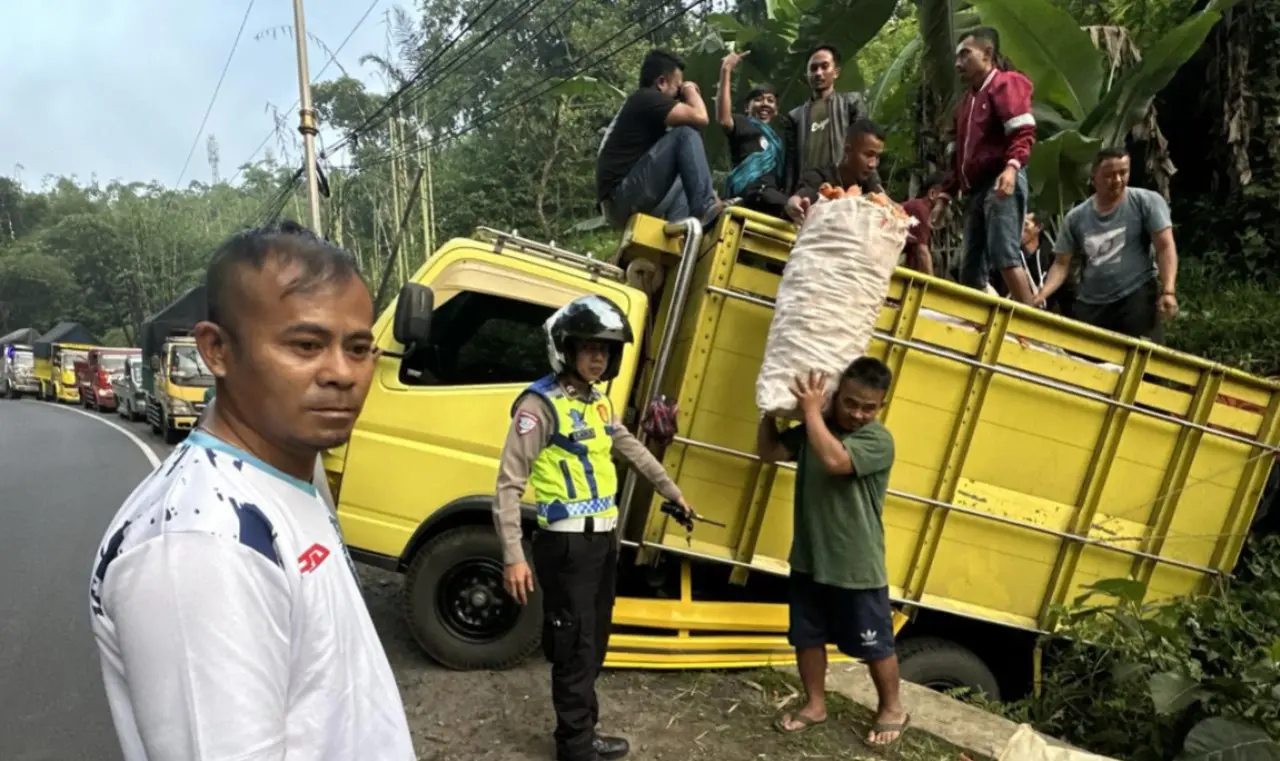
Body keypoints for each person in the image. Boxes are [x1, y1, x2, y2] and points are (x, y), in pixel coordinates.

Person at [88, 221, 415, 761]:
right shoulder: (199, 543)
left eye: (358, 348)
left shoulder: (290, 476)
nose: (341, 372)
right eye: (306, 345)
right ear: (216, 350)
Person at [493, 295, 695, 761]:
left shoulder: (597, 403)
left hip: (602, 541)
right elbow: (508, 485)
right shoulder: (538, 405)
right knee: (574, 644)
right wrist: (513, 553)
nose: (598, 357)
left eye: (606, 350)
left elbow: (631, 448)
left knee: (594, 641)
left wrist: (672, 491)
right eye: (588, 347)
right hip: (566, 545)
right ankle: (575, 747)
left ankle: (584, 732)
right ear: (565, 348)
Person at [757, 358, 908, 746]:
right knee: (807, 636)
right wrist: (770, 411)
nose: (858, 413)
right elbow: (771, 452)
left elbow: (837, 460)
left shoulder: (878, 440)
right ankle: (814, 704)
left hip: (856, 563)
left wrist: (810, 413)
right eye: (850, 403)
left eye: (868, 407)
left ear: (881, 407)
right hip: (809, 556)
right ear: (836, 396)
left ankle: (892, 708)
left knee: (875, 644)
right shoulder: (814, 428)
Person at [1035, 147, 1179, 340]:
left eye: (1123, 173)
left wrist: (1168, 290)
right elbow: (1061, 264)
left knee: (1144, 359)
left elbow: (1165, 247)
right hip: (1092, 303)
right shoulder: (1076, 218)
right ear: (1094, 177)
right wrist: (1042, 294)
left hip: (1135, 295)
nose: (1118, 180)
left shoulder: (1146, 202)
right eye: (1110, 175)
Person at [945, 27, 1038, 304]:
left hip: (1001, 178)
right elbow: (958, 156)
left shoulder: (1005, 84)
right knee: (970, 268)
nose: (958, 63)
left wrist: (1011, 168)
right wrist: (947, 194)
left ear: (987, 54)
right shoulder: (965, 105)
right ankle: (975, 326)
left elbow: (1023, 132)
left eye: (965, 54)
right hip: (977, 189)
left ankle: (1033, 326)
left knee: (1004, 254)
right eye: (956, 57)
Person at [596, 49, 724, 229]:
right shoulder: (646, 98)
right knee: (685, 133)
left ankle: (683, 231)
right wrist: (689, 89)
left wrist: (717, 200)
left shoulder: (646, 108)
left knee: (685, 170)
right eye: (677, 88)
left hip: (621, 201)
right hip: (620, 197)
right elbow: (701, 117)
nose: (678, 95)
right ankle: (704, 207)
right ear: (662, 82)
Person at [785, 45, 881, 192]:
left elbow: (865, 148)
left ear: (836, 72)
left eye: (824, 67)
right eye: (813, 68)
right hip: (807, 191)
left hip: (844, 190)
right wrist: (788, 194)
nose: (818, 73)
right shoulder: (795, 116)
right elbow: (790, 164)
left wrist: (876, 188)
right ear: (807, 74)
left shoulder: (851, 103)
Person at [716, 50, 789, 218]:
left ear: (776, 110)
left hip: (771, 198)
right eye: (758, 100)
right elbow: (723, 119)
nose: (765, 104)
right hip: (749, 193)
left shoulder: (778, 143)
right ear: (746, 108)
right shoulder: (742, 123)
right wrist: (726, 70)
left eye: (770, 100)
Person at [784, 118, 886, 225]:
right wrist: (793, 204)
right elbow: (803, 195)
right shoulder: (819, 177)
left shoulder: (870, 186)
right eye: (868, 155)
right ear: (848, 150)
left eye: (877, 157)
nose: (873, 164)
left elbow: (888, 204)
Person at [993, 213, 1074, 314]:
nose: (1019, 229)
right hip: (1007, 314)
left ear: (1038, 227)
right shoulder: (1006, 256)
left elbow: (1067, 298)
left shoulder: (1052, 260)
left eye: (1025, 224)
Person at [901, 173, 948, 276]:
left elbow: (914, 256)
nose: (948, 204)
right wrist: (932, 286)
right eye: (945, 199)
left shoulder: (921, 210)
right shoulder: (920, 209)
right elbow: (922, 252)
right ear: (932, 194)